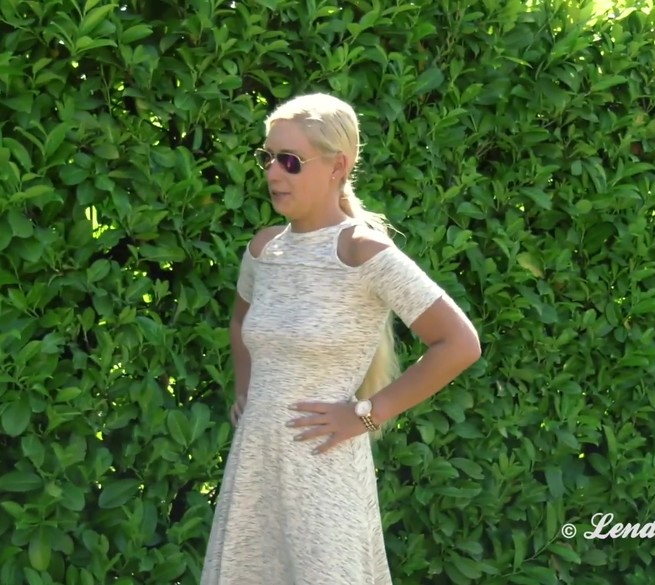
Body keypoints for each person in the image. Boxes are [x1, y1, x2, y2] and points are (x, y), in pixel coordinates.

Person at [199, 93, 481, 585]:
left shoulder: (363, 252)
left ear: (338, 166)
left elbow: (459, 343)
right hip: (256, 465)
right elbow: (241, 323)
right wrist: (247, 392)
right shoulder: (264, 249)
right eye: (268, 157)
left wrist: (367, 413)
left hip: (323, 475)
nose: (273, 172)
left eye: (291, 161)